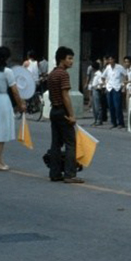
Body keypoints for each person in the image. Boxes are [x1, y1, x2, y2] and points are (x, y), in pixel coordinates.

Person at [48, 46, 83, 183]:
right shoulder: (63, 74)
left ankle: (55, 173)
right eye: (69, 58)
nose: (72, 61)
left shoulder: (52, 74)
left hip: (53, 110)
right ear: (61, 59)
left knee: (55, 143)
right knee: (70, 142)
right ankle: (70, 174)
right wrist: (72, 115)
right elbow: (66, 96)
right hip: (62, 111)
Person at [0, 46, 26, 171]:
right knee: (2, 131)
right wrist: (20, 104)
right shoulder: (8, 72)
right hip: (4, 100)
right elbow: (15, 91)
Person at [102, 54, 127, 129]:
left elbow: (125, 75)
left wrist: (123, 84)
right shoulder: (108, 68)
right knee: (110, 106)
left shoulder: (119, 67)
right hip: (109, 88)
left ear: (114, 60)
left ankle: (121, 123)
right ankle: (114, 122)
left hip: (117, 87)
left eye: (111, 59)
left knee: (117, 106)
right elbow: (103, 77)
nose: (110, 61)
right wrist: (105, 84)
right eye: (109, 60)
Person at [89, 61, 104, 126]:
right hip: (93, 89)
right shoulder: (95, 74)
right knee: (94, 106)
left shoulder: (99, 74)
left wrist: (97, 87)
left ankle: (99, 120)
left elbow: (101, 83)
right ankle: (95, 120)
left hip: (96, 90)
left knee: (98, 106)